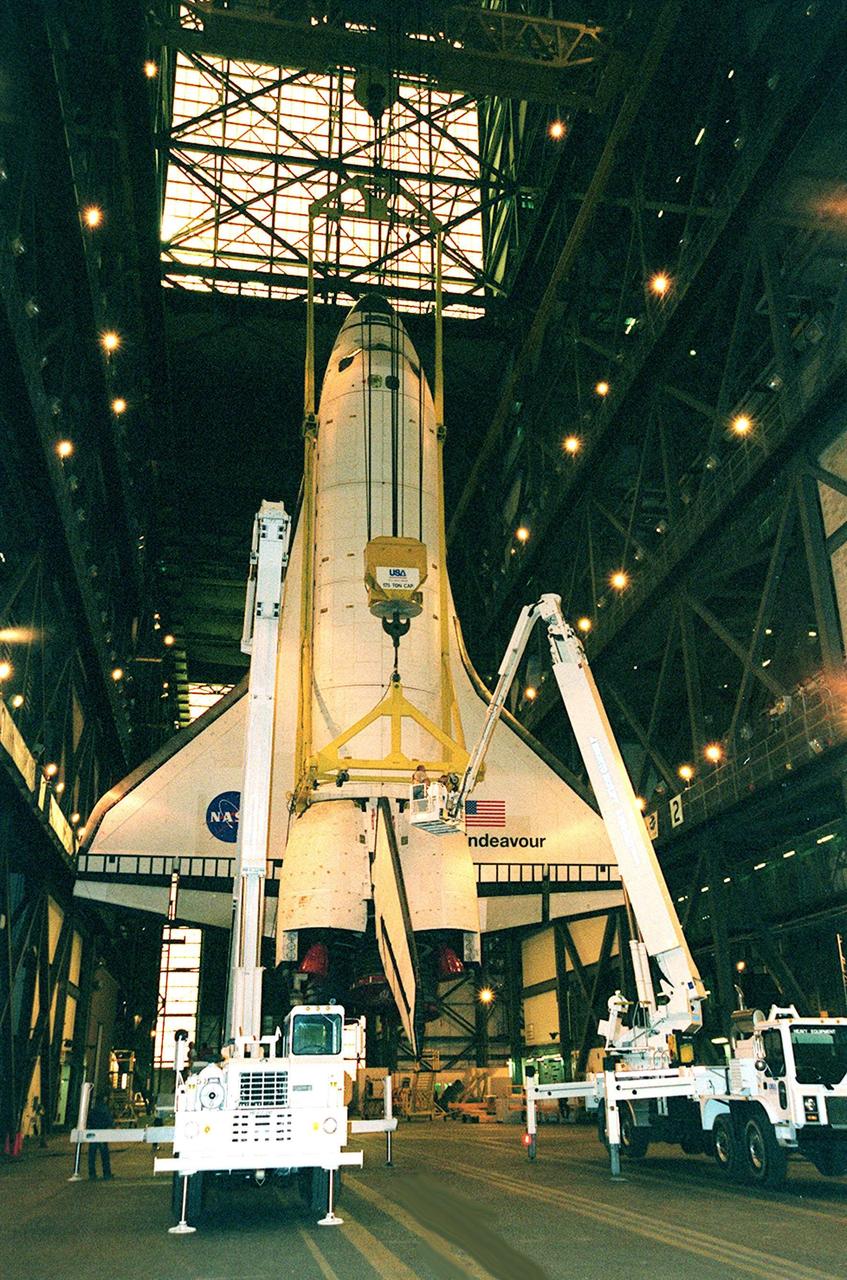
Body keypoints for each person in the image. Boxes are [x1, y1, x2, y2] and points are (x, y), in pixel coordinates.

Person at [88, 1094, 113, 1180]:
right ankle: (106, 1173)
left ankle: (92, 1173)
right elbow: (109, 1120)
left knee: (92, 1154)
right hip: (102, 1133)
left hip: (93, 1133)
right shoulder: (105, 1109)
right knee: (104, 1154)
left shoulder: (93, 1109)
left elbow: (89, 1120)